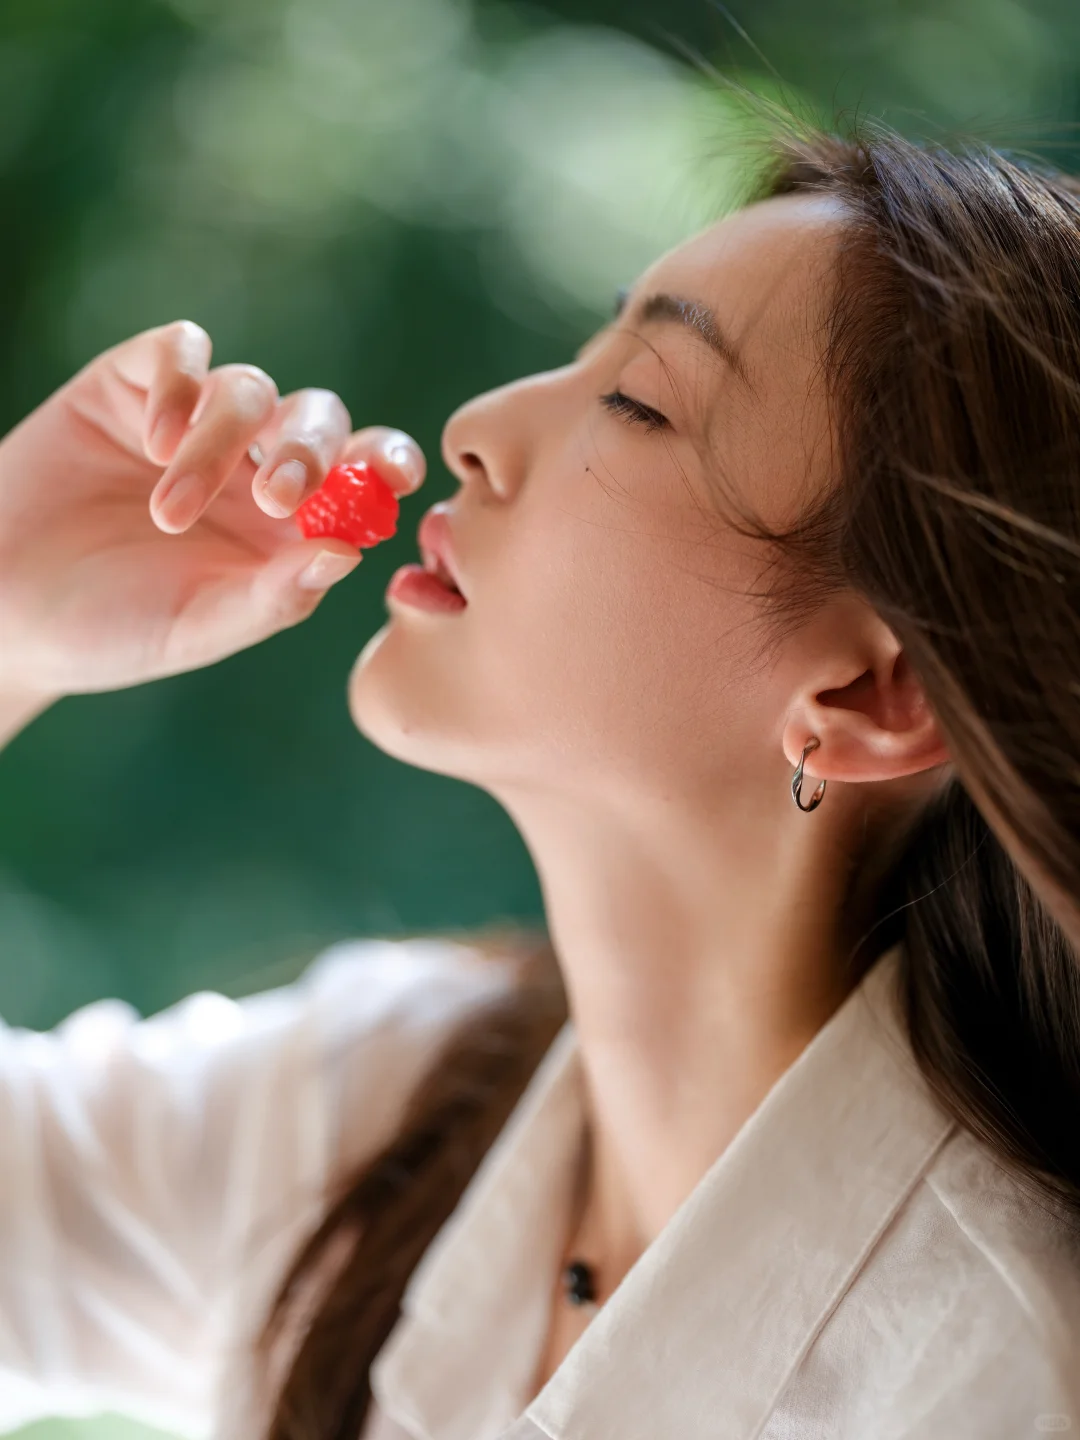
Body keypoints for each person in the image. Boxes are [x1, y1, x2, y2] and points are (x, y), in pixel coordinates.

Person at [0, 117, 1078, 1440]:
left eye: (637, 400)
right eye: (584, 353)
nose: (473, 430)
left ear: (869, 693)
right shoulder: (387, 1104)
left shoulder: (1006, 1386)